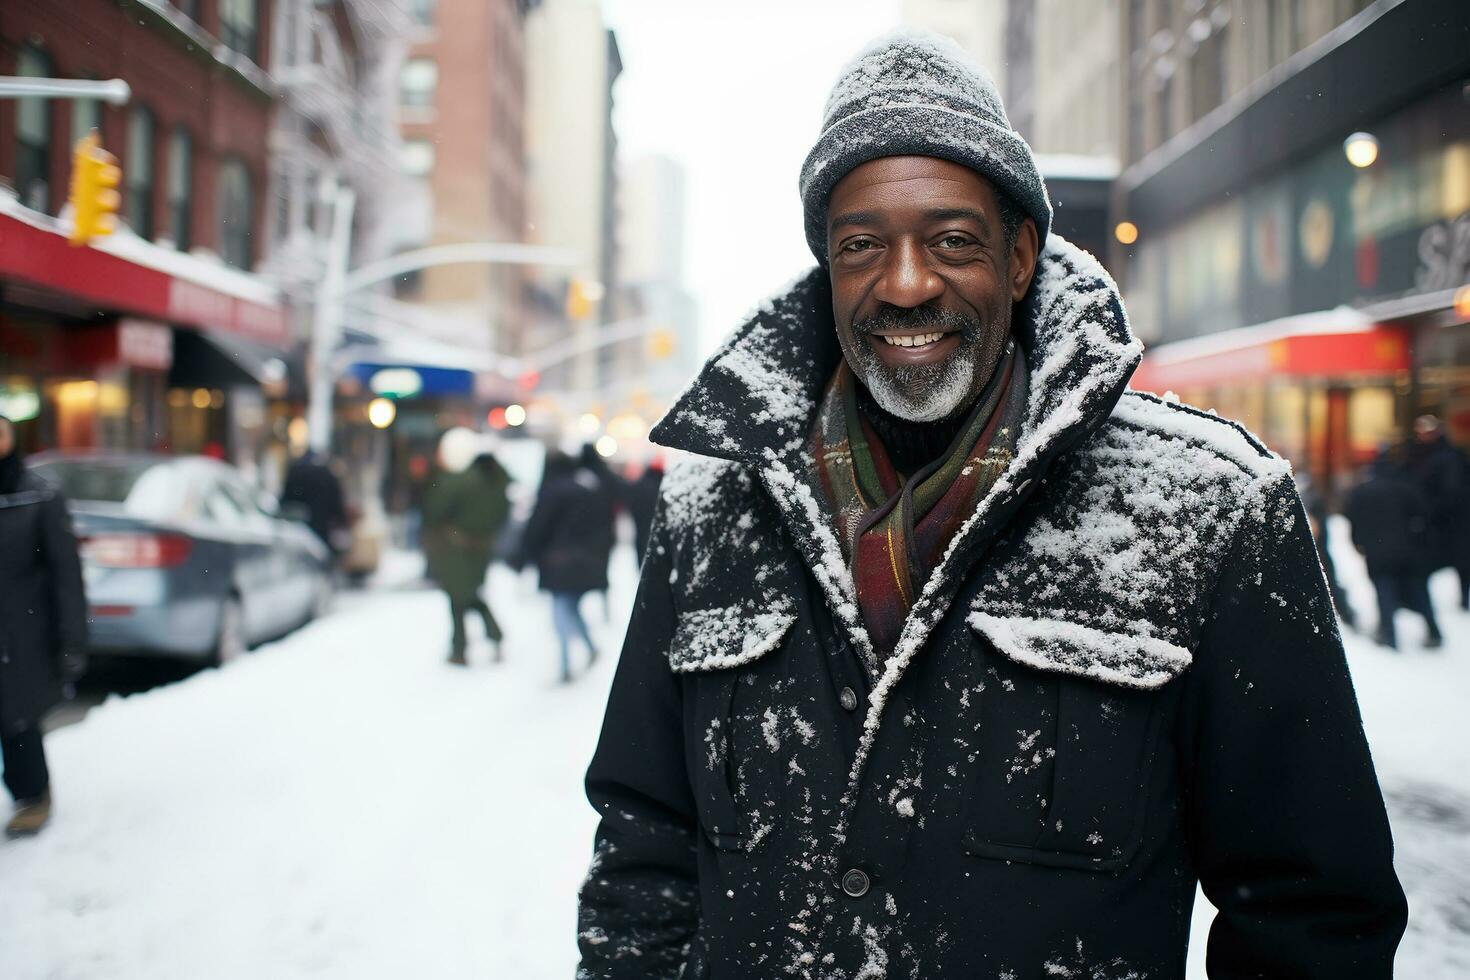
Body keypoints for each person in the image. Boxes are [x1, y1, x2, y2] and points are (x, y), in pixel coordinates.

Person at [575, 32, 1405, 978]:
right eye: (862, 246)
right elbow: (641, 862)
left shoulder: (1213, 508)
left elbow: (1311, 909)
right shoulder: (709, 506)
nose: (906, 282)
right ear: (828, 270)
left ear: (1018, 258)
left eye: (952, 240)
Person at [0, 415, 88, 837]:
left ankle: (32, 795)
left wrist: (72, 640)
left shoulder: (39, 497)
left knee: (17, 717)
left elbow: (65, 575)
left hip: (23, 630)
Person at [520, 449, 614, 682]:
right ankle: (588, 649)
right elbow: (603, 528)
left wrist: (527, 555)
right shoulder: (587, 490)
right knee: (570, 608)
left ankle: (565, 665)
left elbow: (537, 529)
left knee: (561, 610)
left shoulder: (551, 492)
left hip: (558, 563)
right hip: (584, 561)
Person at [422, 428, 510, 666]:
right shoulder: (492, 478)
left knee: (461, 596)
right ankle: (470, 643)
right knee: (467, 595)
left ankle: (463, 646)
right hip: (480, 547)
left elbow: (434, 511)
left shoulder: (456, 480)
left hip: (458, 550)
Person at [1345, 446, 1444, 650]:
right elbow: (1423, 517)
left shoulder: (1363, 491)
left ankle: (1389, 636)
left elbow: (1353, 519)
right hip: (1406, 550)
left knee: (1384, 592)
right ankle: (1434, 632)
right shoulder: (1406, 487)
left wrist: (1358, 543)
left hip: (1377, 552)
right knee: (1418, 591)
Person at [1407, 414, 1470, 609]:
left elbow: (1450, 491)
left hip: (1449, 521)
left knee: (1459, 563)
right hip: (1440, 521)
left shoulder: (1447, 457)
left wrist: (1429, 511)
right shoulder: (1419, 454)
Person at [281, 448, 349, 556]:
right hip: (322, 526)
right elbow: (336, 503)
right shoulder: (327, 473)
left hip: (298, 527)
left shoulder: (296, 470)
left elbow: (285, 501)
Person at [624, 457, 665, 566]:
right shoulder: (664, 487)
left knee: (643, 559)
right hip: (659, 533)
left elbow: (631, 505)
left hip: (641, 530)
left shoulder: (639, 485)